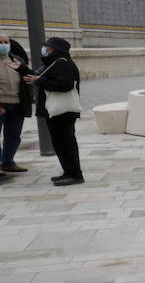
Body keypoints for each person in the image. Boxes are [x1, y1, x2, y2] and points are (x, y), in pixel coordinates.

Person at [22, 37, 84, 186]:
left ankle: (74, 175)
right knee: (63, 143)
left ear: (55, 48)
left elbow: (66, 85)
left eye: (47, 46)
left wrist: (40, 82)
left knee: (65, 143)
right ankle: (69, 172)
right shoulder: (55, 62)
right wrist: (21, 69)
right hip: (57, 111)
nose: (44, 48)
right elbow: (38, 75)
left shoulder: (62, 63)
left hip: (62, 112)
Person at [0, 34, 33, 175]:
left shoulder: (16, 60)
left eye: (6, 42)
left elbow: (29, 76)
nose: (3, 44)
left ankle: (8, 162)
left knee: (13, 135)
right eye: (0, 42)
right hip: (1, 104)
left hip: (17, 104)